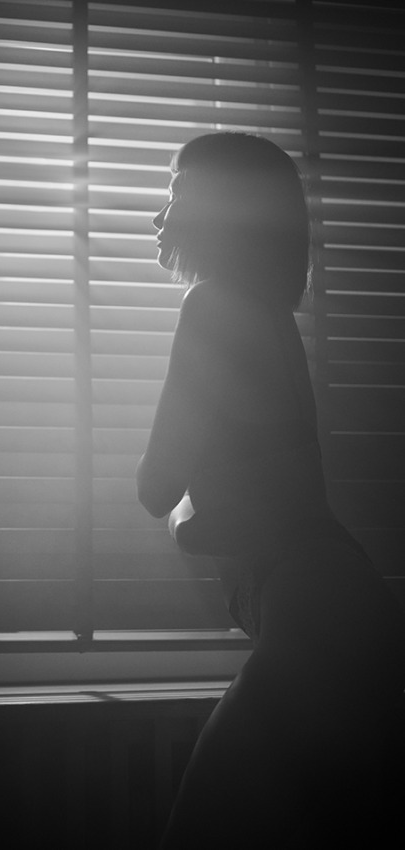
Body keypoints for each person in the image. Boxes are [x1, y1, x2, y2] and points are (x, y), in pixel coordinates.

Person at [136, 133, 405, 848]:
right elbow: (276, 499)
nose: (159, 214)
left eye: (177, 190)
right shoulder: (271, 319)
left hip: (317, 626)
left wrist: (187, 514)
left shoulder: (210, 306)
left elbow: (157, 488)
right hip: (353, 613)